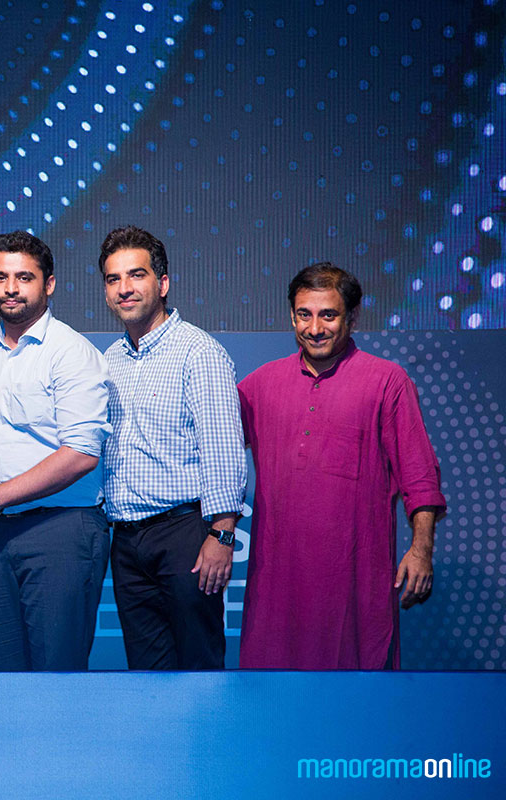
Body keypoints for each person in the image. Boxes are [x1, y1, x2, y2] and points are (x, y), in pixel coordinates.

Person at [237, 263, 446, 669]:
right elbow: (213, 448)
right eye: (304, 314)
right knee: (269, 697)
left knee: (358, 697)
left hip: (354, 588)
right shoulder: (261, 384)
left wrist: (421, 551)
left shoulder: (387, 381)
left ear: (352, 318)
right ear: (292, 316)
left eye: (328, 315)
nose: (315, 328)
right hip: (275, 590)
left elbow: (420, 477)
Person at [0, 230, 111, 672]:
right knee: (8, 675)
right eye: (0, 277)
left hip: (61, 529)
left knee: (56, 676)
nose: (11, 288)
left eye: (24, 277)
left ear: (49, 284)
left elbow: (81, 453)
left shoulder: (71, 352)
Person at [98, 225, 247, 670]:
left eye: (136, 275)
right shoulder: (108, 361)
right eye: (113, 279)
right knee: (146, 675)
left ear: (162, 283)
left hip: (185, 535)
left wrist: (222, 535)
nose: (124, 288)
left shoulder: (198, 352)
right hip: (127, 541)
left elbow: (223, 447)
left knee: (198, 667)